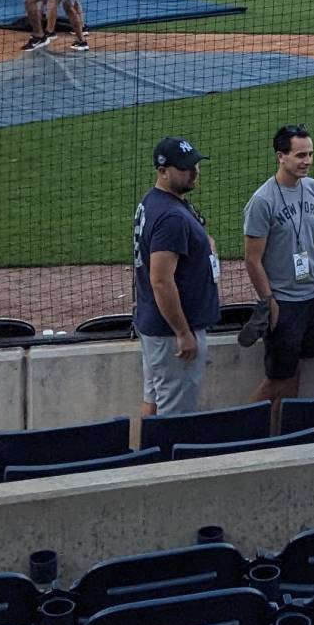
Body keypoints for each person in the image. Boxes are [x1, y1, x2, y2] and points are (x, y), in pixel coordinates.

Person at [240, 125, 314, 412]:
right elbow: (252, 259)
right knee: (277, 379)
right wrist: (270, 301)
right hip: (285, 303)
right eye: (300, 155)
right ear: (281, 156)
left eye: (310, 154)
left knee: (295, 372)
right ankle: (236, 428)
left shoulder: (313, 187)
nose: (307, 161)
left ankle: (284, 433)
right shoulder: (262, 202)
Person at [134, 137, 222, 417]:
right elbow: (161, 280)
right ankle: (165, 461)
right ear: (163, 171)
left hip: (156, 326)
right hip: (173, 333)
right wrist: (183, 333)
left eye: (195, 164)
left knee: (154, 402)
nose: (193, 171)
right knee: (175, 416)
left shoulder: (154, 201)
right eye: (185, 167)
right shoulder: (170, 217)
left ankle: (140, 460)